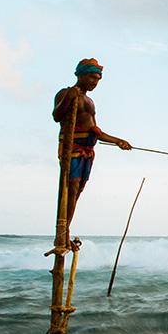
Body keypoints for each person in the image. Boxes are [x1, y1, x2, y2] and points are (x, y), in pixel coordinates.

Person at [52, 58, 131, 227]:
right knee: (70, 187)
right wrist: (68, 98)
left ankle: (66, 227)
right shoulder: (65, 93)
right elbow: (56, 116)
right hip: (72, 147)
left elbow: (95, 130)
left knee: (78, 189)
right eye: (92, 78)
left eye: (98, 79)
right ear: (81, 75)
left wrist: (118, 141)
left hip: (88, 150)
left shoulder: (90, 102)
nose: (95, 82)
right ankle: (62, 230)